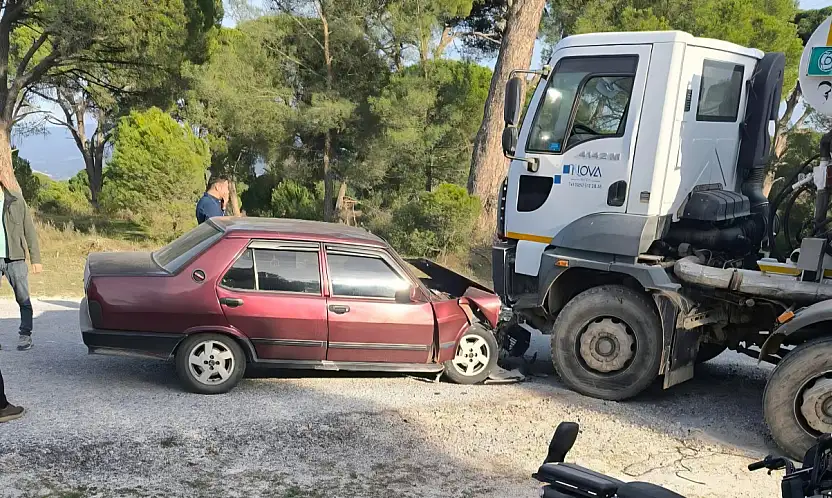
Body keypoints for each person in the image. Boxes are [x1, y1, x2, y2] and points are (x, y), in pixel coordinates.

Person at [0, 185, 41, 352]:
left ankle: (25, 335)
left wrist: (36, 259)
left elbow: (29, 231)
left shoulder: (16, 200)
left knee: (23, 298)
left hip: (15, 258)